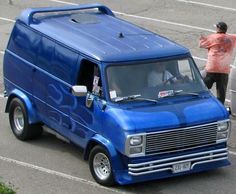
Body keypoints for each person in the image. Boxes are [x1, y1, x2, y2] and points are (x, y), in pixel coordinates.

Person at [199, 22, 236, 104]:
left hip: (211, 68)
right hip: (224, 70)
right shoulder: (232, 38)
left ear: (218, 29)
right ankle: (220, 109)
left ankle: (202, 104)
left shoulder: (212, 37)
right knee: (221, 95)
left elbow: (201, 45)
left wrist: (202, 38)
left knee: (203, 88)